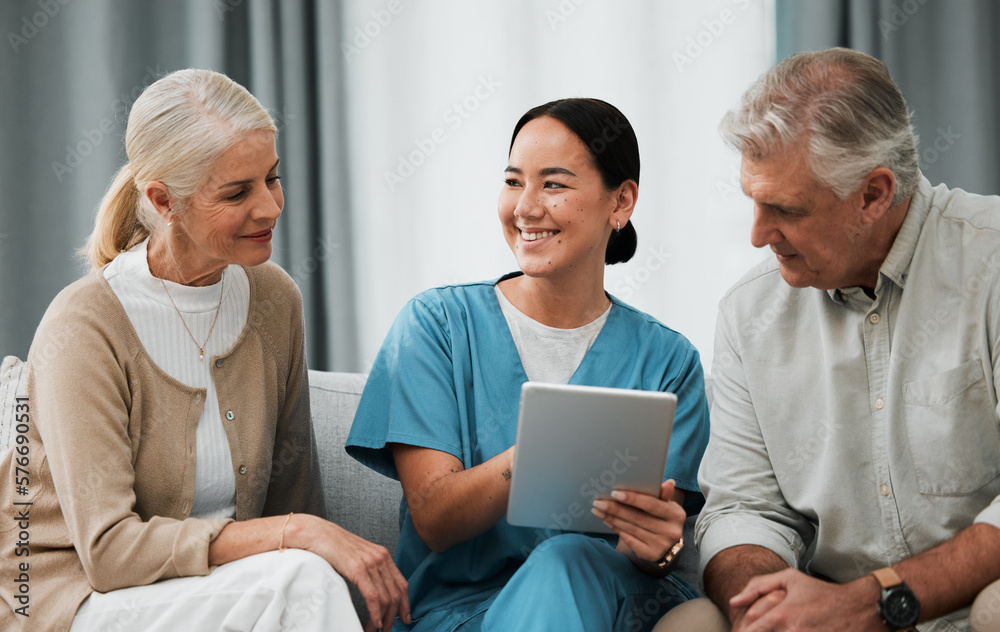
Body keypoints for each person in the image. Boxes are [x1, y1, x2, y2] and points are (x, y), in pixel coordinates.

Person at [0, 69, 409, 632]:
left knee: (311, 576)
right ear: (163, 201)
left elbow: (295, 497)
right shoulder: (86, 324)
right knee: (306, 578)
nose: (270, 208)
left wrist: (303, 536)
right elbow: (110, 552)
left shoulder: (273, 299)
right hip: (77, 601)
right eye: (238, 192)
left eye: (273, 178)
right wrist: (297, 535)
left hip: (225, 592)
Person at [663, 48, 1000, 632]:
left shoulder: (990, 264)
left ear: (872, 195)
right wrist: (770, 608)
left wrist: (867, 604)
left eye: (784, 209)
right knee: (692, 623)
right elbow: (743, 508)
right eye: (752, 201)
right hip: (828, 613)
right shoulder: (749, 312)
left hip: (971, 608)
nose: (758, 234)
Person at [346, 98, 710, 631]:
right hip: (458, 615)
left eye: (554, 184)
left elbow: (657, 549)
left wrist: (659, 546)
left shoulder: (668, 361)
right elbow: (435, 519)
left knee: (568, 561)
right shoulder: (438, 325)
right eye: (514, 181)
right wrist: (545, 447)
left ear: (621, 202)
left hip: (612, 608)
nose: (525, 207)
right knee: (559, 563)